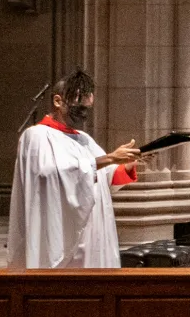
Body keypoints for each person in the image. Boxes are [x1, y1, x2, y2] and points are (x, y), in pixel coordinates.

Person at [8, 70, 139, 269]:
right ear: (58, 101)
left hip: (94, 237)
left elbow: (104, 178)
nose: (83, 115)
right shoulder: (36, 136)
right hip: (62, 239)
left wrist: (127, 166)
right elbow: (49, 176)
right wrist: (109, 158)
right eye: (78, 108)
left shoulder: (84, 139)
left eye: (87, 109)